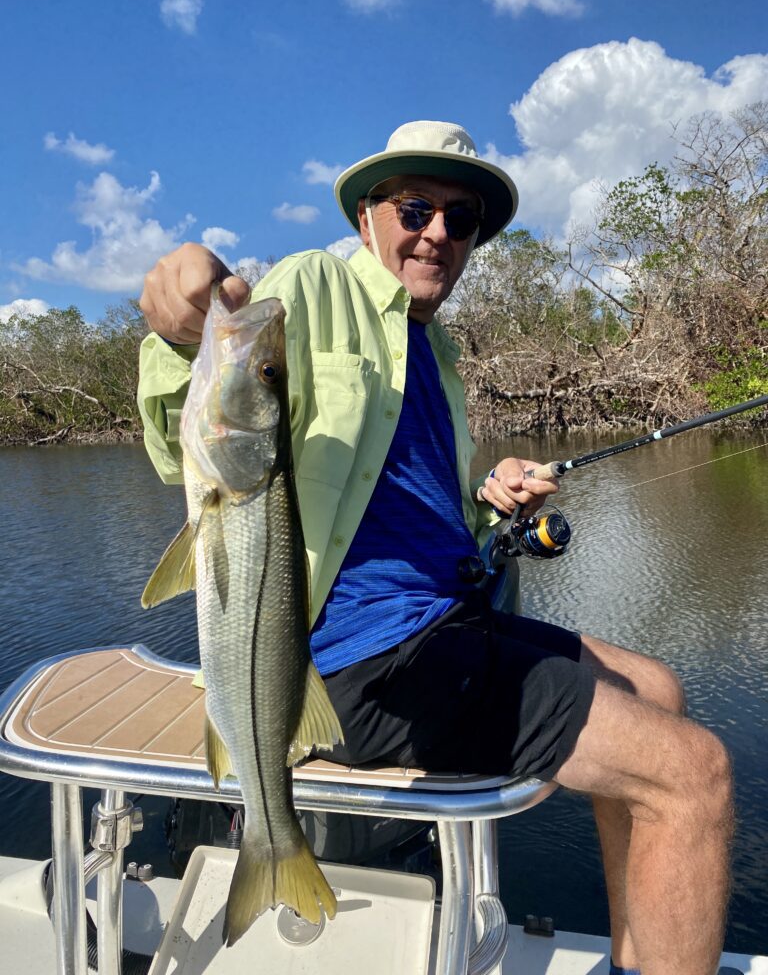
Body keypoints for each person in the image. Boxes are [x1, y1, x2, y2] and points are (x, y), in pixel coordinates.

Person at [137, 120, 735, 975]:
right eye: (416, 208)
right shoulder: (307, 287)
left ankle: (637, 960)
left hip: (444, 621)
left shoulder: (440, 355)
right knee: (695, 775)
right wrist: (175, 325)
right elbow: (187, 431)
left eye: (462, 221)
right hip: (364, 665)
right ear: (368, 219)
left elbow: (411, 510)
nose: (438, 234)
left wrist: (489, 497)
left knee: (661, 687)